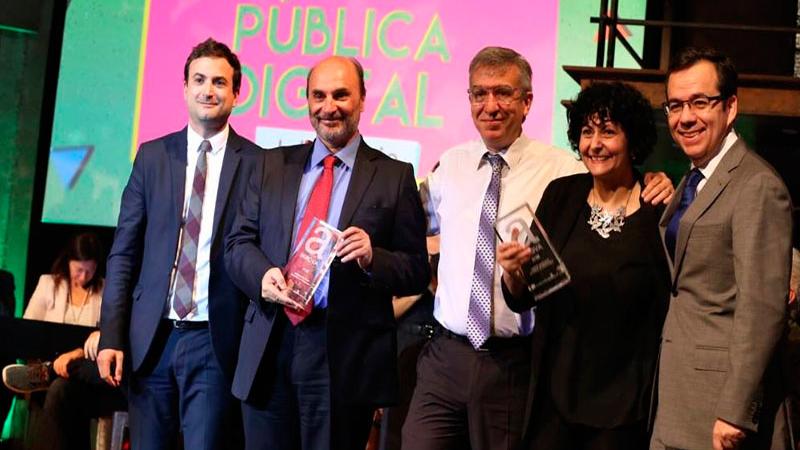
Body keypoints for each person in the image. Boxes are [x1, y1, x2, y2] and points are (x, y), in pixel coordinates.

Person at [402, 46, 673, 450]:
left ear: (527, 102)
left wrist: (658, 180)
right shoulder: (449, 165)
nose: (490, 106)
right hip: (445, 355)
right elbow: (410, 229)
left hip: (513, 365)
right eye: (480, 94)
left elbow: (614, 179)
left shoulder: (563, 173)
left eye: (503, 93)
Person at [225, 55, 429, 450]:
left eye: (341, 95)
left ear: (363, 99)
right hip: (270, 343)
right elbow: (237, 244)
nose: (328, 106)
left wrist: (374, 258)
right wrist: (263, 277)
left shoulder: (393, 175)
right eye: (318, 95)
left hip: (342, 358)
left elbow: (417, 270)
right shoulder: (270, 164)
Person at [96, 38, 263, 450]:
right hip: (150, 341)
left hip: (214, 342)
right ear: (185, 88)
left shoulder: (259, 163)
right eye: (200, 80)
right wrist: (111, 335)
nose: (209, 90)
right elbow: (123, 254)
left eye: (220, 82)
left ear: (236, 93)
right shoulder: (152, 157)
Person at [497, 82, 671, 450]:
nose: (595, 144)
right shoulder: (561, 195)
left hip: (625, 403)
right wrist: (513, 272)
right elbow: (525, 295)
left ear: (633, 138)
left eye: (608, 131)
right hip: (554, 395)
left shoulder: (658, 207)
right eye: (587, 132)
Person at [650, 47, 792, 450]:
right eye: (675, 105)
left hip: (720, 409)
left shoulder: (756, 185)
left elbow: (763, 309)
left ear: (730, 107)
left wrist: (735, 409)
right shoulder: (693, 180)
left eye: (700, 102)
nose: (686, 117)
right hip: (676, 396)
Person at [2, 233, 125, 450]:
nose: (84, 276)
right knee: (60, 390)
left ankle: (47, 372)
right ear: (68, 262)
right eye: (79, 270)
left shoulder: (106, 292)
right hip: (63, 378)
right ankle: (48, 372)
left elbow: (109, 339)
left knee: (60, 390)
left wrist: (76, 353)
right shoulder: (49, 284)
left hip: (89, 377)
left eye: (90, 270)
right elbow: (29, 332)